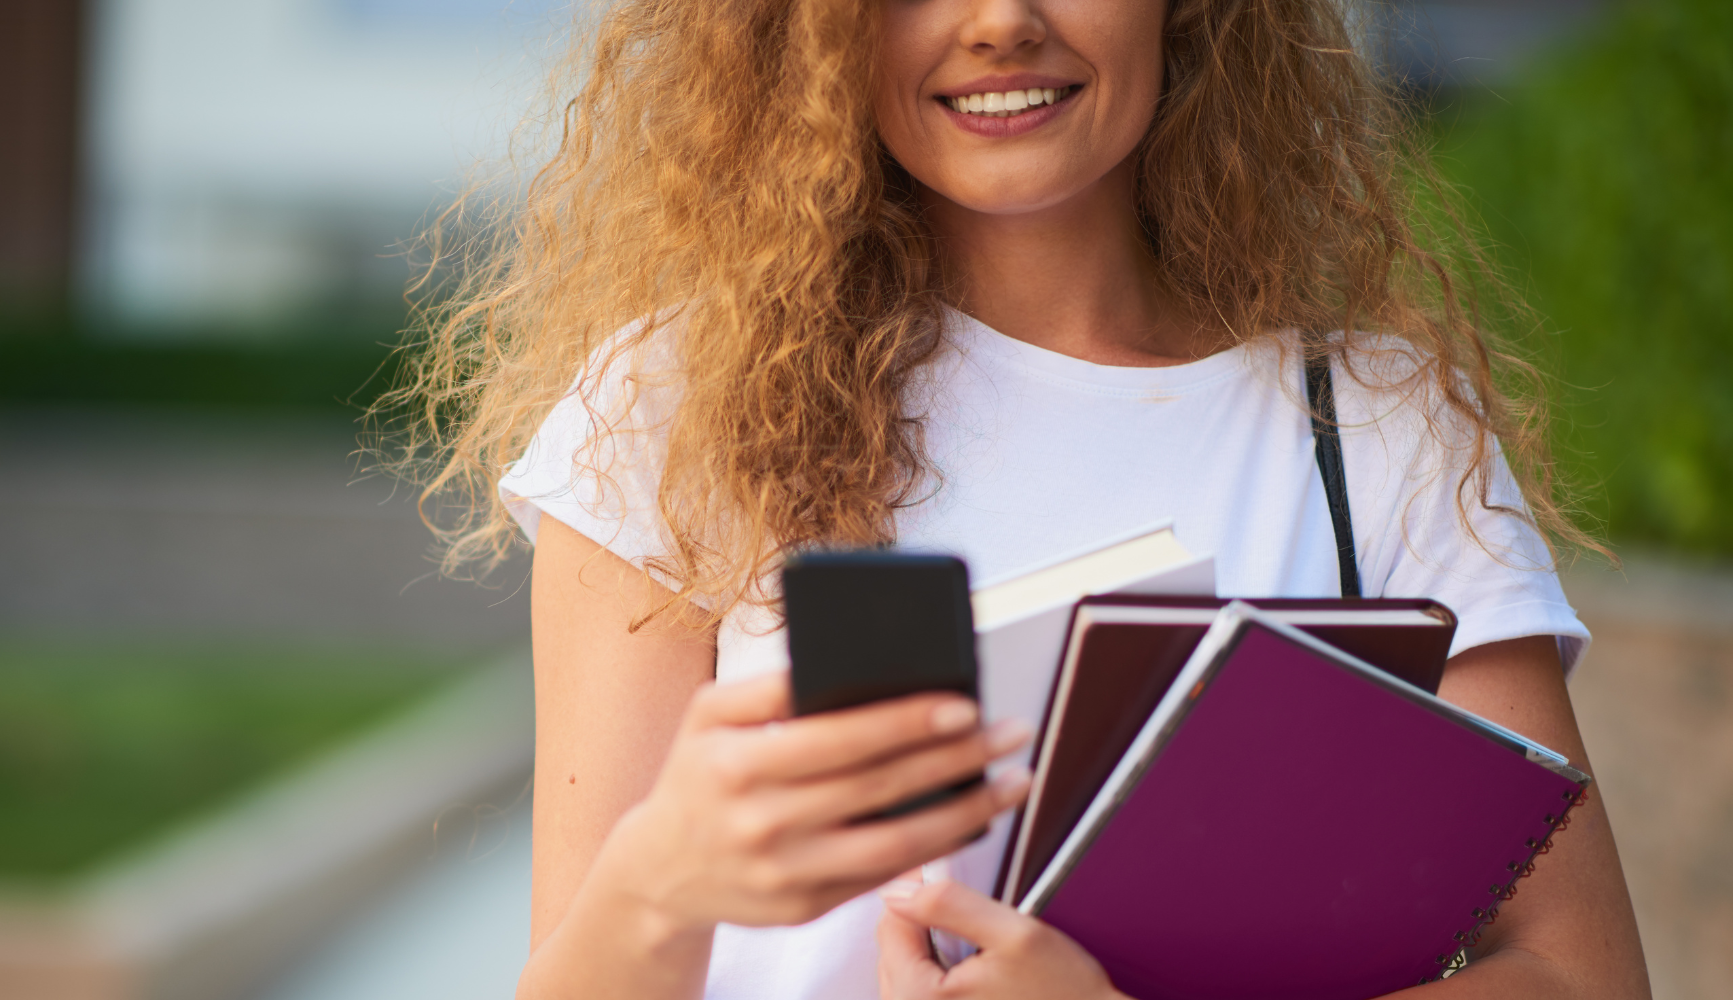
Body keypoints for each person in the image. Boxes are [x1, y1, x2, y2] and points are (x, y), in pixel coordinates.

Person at [378, 0, 1654, 997]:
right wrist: (663, 881)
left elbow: (1576, 975)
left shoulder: (1375, 429)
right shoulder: (674, 408)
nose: (998, 24)